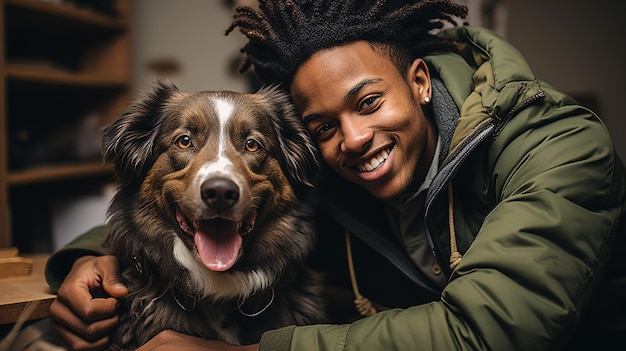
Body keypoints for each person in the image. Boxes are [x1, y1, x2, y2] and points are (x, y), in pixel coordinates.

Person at [45, 0, 626, 350]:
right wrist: (86, 259)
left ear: (420, 81)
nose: (352, 139)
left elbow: (492, 334)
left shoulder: (560, 146)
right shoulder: (329, 169)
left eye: (369, 102)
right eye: (323, 126)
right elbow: (212, 197)